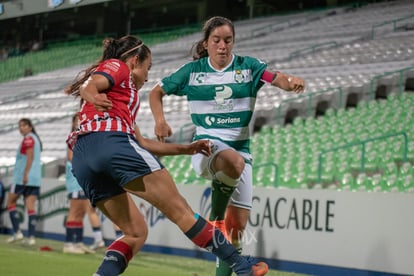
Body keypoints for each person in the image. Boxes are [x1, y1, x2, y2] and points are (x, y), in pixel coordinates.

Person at [64, 34, 268, 276]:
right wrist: (93, 94)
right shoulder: (118, 66)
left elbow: (141, 143)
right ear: (134, 60)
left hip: (83, 158)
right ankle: (241, 265)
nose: (148, 76)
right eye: (147, 68)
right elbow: (91, 84)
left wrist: (187, 148)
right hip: (111, 143)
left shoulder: (122, 102)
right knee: (180, 211)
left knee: (135, 233)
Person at [149, 16, 305, 276]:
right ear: (206, 43)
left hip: (242, 153)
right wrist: (160, 121)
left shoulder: (249, 68)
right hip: (205, 149)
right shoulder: (193, 71)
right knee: (232, 162)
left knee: (236, 231)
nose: (223, 45)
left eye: (228, 40)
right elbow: (156, 92)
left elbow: (276, 77)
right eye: (217, 40)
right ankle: (216, 217)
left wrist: (291, 83)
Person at [63, 114, 101, 254]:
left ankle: (77, 242)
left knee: (81, 212)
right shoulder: (74, 137)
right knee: (74, 211)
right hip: (75, 179)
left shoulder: (85, 137)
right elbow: (71, 157)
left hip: (83, 180)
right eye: (76, 120)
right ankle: (69, 243)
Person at [6, 118, 43, 245]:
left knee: (10, 203)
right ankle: (31, 237)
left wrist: (25, 174)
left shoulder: (28, 139)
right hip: (35, 178)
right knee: (31, 207)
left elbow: (30, 156)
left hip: (22, 178)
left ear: (30, 127)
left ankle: (17, 232)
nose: (21, 128)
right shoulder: (36, 139)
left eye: (23, 125)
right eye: (19, 126)